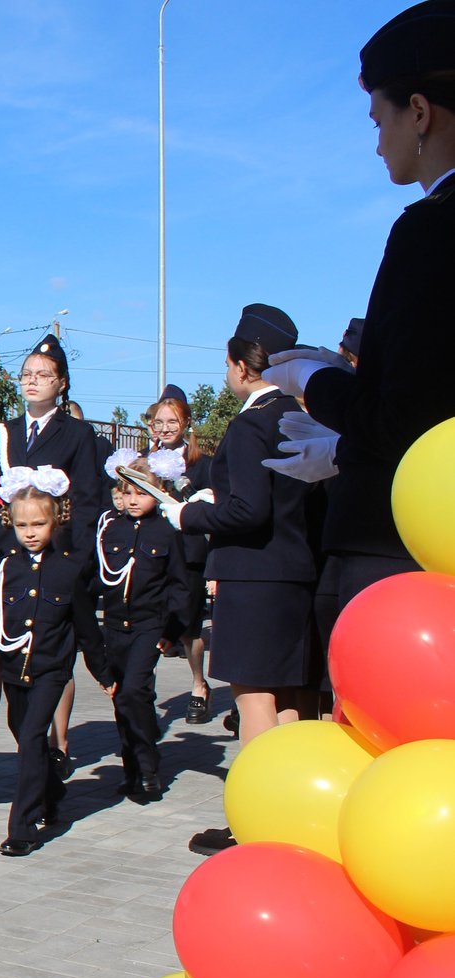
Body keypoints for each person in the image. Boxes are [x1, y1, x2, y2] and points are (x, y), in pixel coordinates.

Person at [262, 5, 455, 652]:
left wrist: (319, 383)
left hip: (404, 548)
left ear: (421, 113)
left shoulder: (430, 229)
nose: (377, 142)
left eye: (381, 119)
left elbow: (402, 414)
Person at [165, 304, 325, 855]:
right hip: (294, 574)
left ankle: (253, 824)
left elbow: (249, 512)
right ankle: (291, 817)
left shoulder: (254, 423)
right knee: (288, 706)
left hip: (254, 578)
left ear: (239, 364)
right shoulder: (301, 418)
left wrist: (190, 514)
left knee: (255, 704)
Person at [0, 332, 101, 797]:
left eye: (43, 375)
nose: (32, 381)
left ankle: (53, 746)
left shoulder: (79, 434)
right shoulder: (2, 433)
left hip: (55, 560)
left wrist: (77, 563)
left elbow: (87, 503)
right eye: (26, 374)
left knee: (52, 653)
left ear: (62, 383)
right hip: (7, 561)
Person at [0, 467, 114, 856]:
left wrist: (103, 671)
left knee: (31, 738)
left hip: (51, 668)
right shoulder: (4, 568)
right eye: (22, 524)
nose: (30, 532)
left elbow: (86, 627)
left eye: (39, 523)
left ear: (56, 520)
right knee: (20, 728)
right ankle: (52, 791)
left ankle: (23, 825)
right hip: (13, 667)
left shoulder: (68, 568)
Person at [95, 452, 190, 802]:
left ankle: (148, 767)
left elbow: (180, 586)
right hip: (114, 625)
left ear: (159, 491)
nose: (134, 500)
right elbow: (97, 577)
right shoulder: (110, 528)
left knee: (135, 690)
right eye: (128, 492)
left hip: (149, 626)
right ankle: (131, 768)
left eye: (142, 492)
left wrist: (171, 631)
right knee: (123, 695)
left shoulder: (166, 532)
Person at [144, 388, 216, 723]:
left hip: (188, 551)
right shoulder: (144, 462)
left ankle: (199, 685)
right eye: (159, 421)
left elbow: (213, 508)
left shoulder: (202, 463)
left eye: (172, 421)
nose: (165, 427)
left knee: (188, 623)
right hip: (152, 549)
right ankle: (144, 684)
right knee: (150, 618)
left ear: (185, 422)